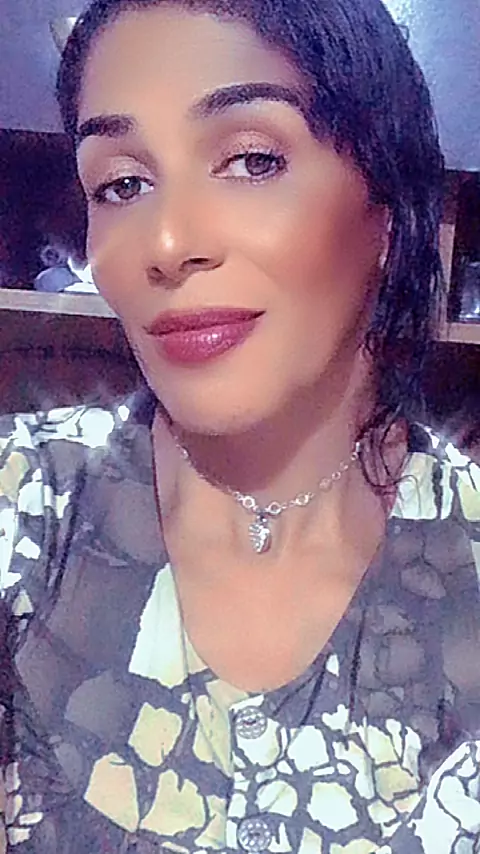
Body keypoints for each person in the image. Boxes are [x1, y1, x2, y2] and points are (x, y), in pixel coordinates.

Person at [0, 0, 479, 851]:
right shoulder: (23, 508)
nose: (167, 241)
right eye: (121, 185)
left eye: (253, 160)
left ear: (386, 210)